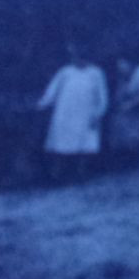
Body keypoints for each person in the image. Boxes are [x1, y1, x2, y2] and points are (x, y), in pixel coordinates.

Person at [37, 44, 109, 182]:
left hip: (86, 113)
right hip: (65, 113)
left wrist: (98, 113)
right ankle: (56, 176)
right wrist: (42, 104)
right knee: (60, 144)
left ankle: (80, 174)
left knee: (85, 145)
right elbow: (52, 91)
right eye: (76, 58)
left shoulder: (96, 73)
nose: (79, 61)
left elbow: (103, 96)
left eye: (83, 58)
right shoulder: (65, 72)